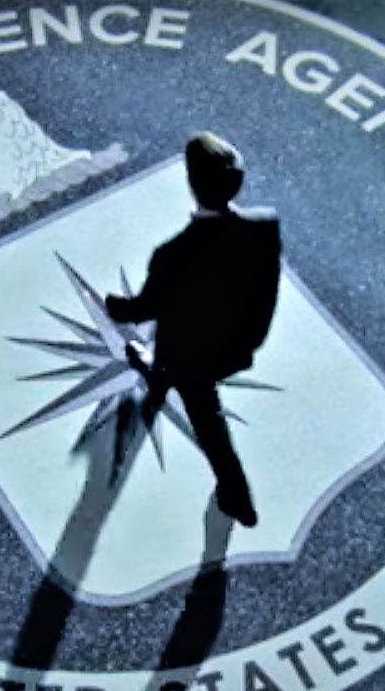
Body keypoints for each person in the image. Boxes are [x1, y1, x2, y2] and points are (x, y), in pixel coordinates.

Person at [106, 132, 281, 527]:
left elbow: (143, 310)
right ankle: (160, 373)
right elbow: (264, 294)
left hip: (189, 361)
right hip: (235, 349)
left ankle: (238, 497)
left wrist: (115, 307)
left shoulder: (171, 254)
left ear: (191, 183)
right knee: (189, 390)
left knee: (208, 424)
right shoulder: (264, 228)